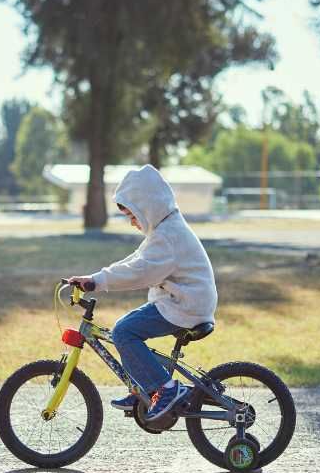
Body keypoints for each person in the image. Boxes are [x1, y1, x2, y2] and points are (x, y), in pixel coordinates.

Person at [66, 164, 218, 423]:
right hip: (181, 301)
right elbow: (134, 260)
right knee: (125, 329)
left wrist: (97, 282)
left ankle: (166, 389)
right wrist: (95, 278)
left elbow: (139, 271)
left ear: (148, 206)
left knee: (124, 332)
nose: (132, 222)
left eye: (133, 215)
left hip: (186, 305)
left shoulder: (168, 236)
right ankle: (144, 390)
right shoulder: (164, 230)